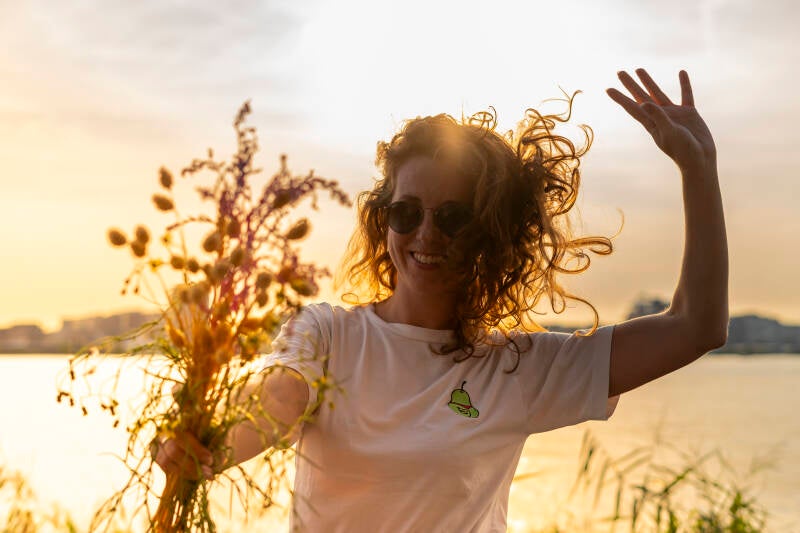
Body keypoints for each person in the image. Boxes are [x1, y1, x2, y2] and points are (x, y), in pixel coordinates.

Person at [154, 68, 728, 532]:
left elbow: (696, 325)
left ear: (491, 235)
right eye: (407, 213)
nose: (426, 235)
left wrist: (698, 171)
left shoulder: (520, 369)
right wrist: (205, 442)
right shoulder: (327, 334)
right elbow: (276, 399)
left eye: (453, 218)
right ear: (384, 221)